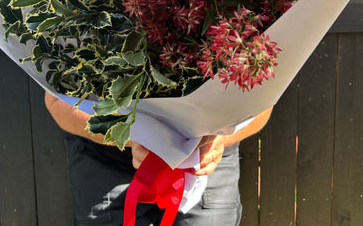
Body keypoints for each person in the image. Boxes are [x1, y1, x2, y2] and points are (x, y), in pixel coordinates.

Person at [45, 92, 272, 226]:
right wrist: (135, 138)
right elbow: (57, 101)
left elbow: (265, 99)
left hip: (204, 156)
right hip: (108, 155)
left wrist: (221, 137)